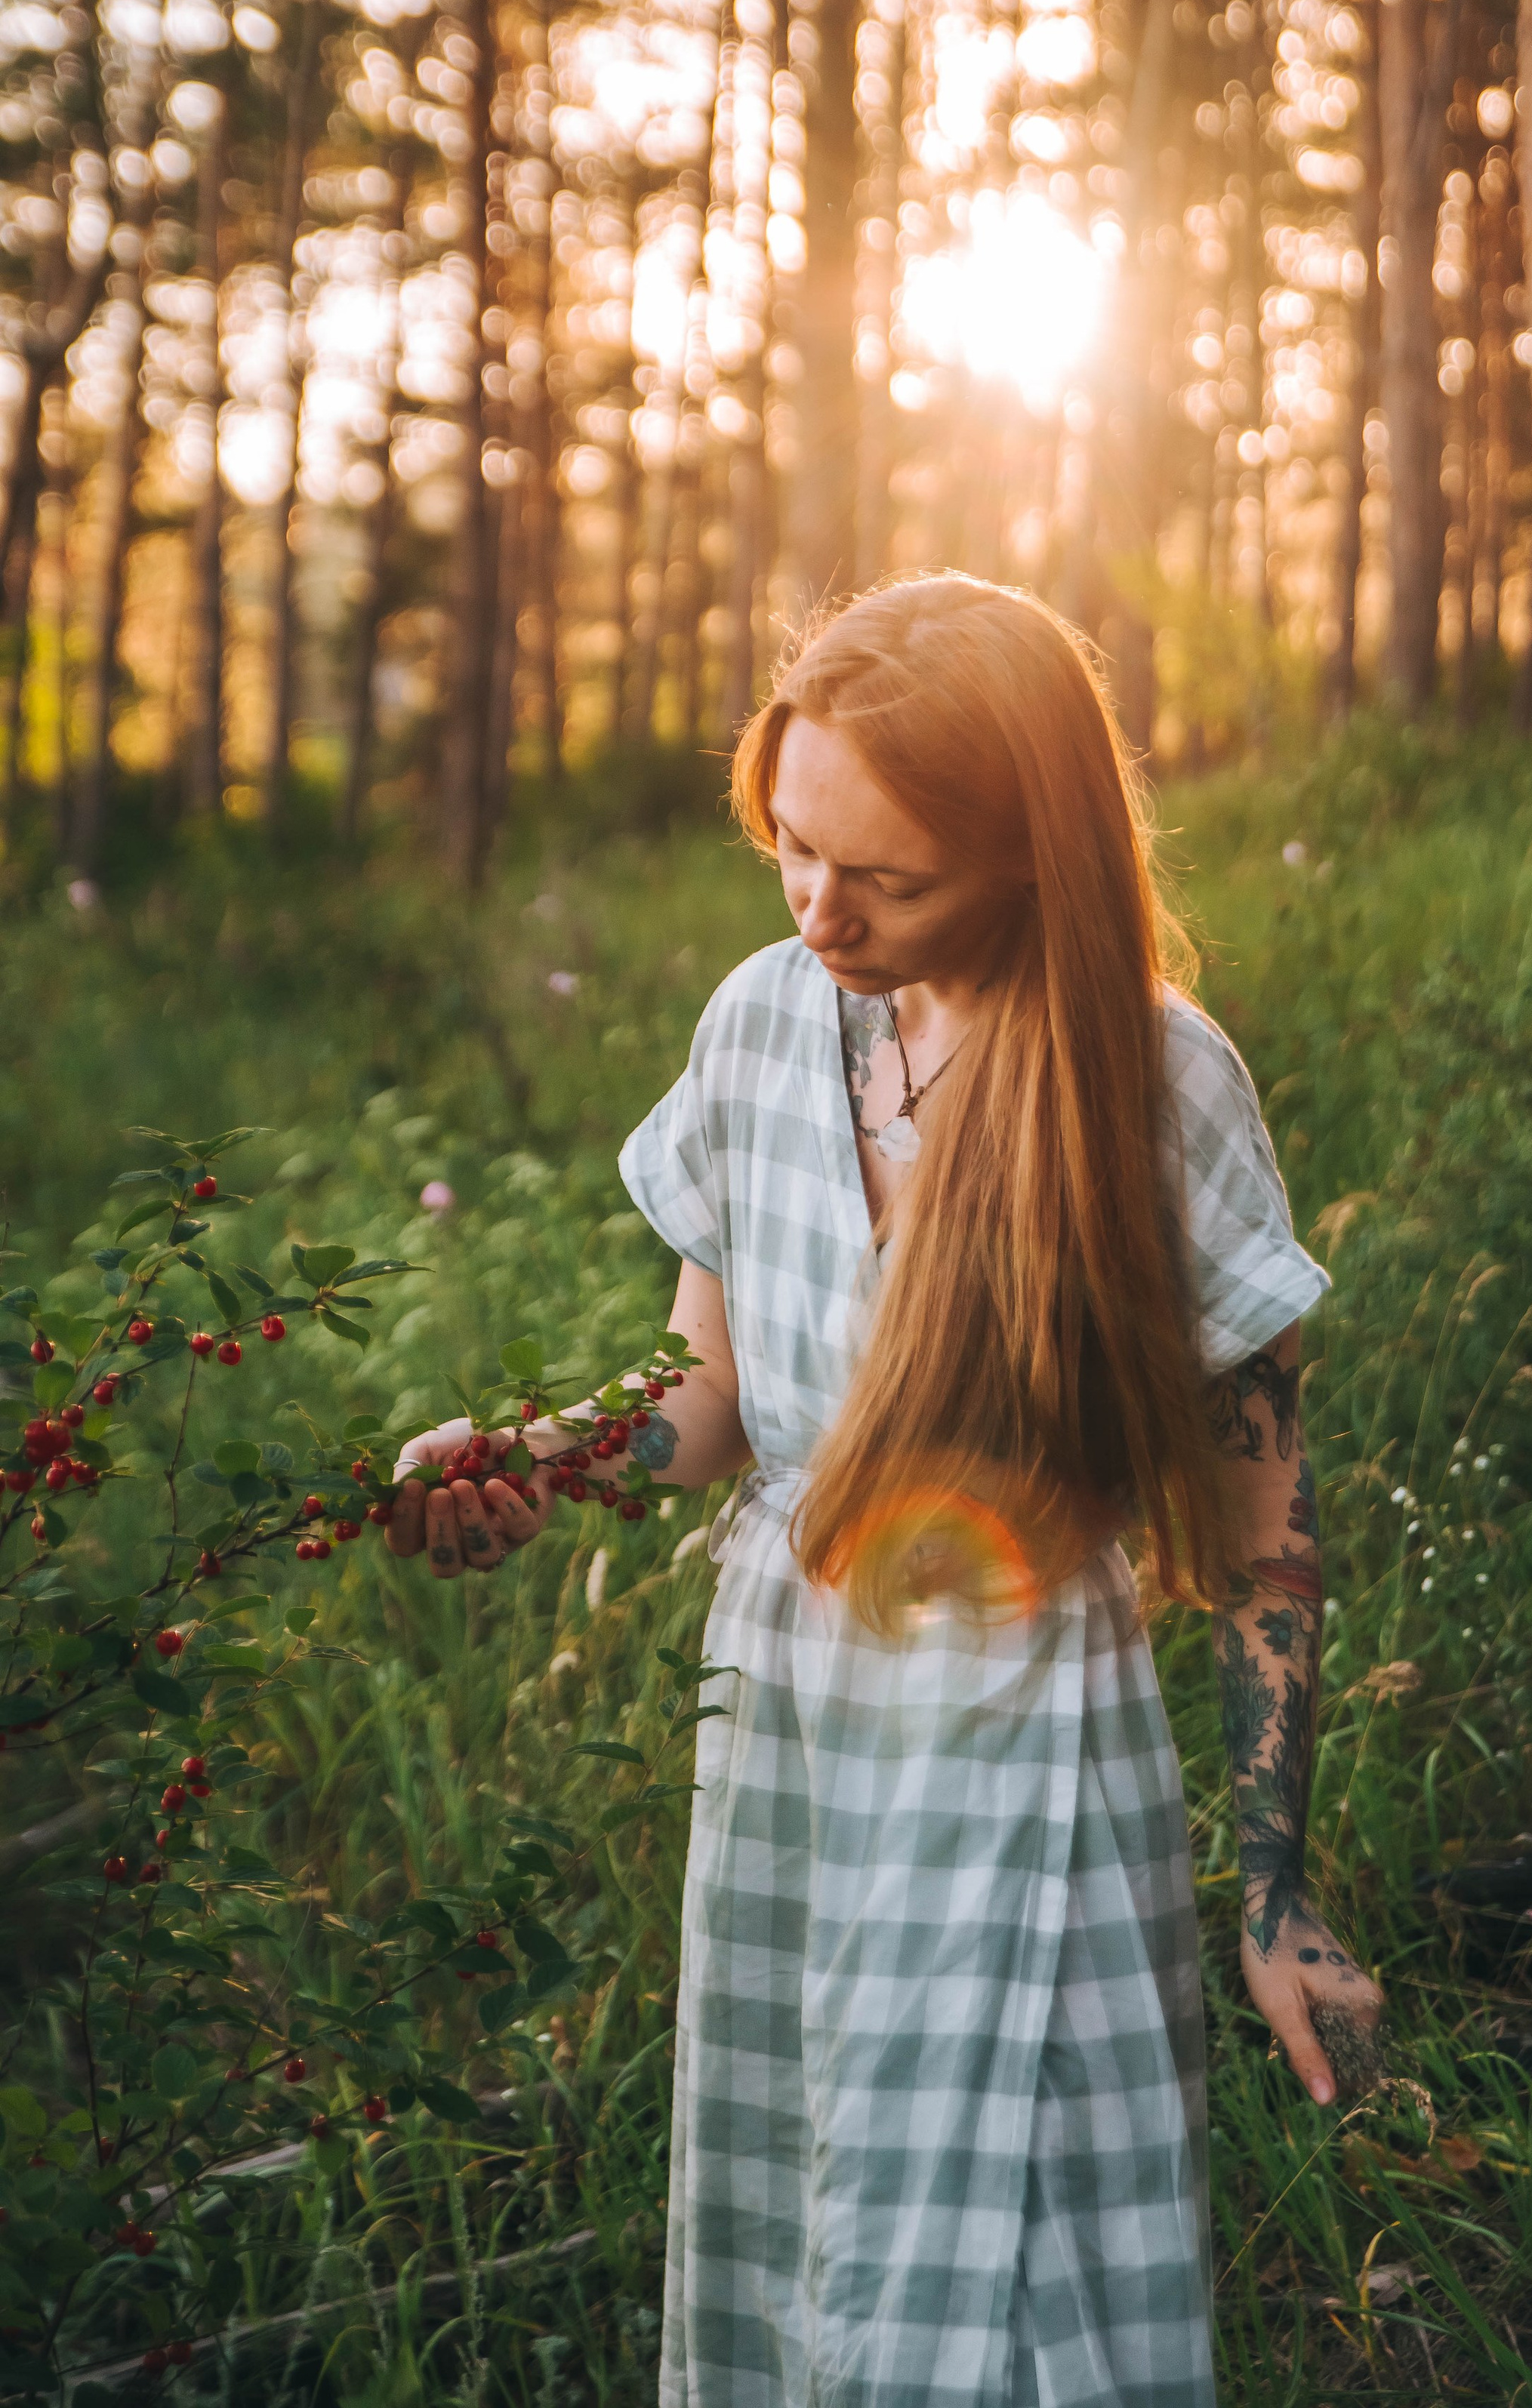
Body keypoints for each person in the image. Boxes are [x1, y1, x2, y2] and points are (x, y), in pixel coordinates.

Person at [385, 574, 1380, 2408]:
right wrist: (541, 1454)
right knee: (802, 2242)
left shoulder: (1153, 1082)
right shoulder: (764, 1022)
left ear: (1023, 853)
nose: (819, 910)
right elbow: (714, 1397)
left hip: (1022, 1737)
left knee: (1028, 2269)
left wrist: (1271, 1894)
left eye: (886, 878)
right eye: (790, 846)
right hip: (787, 1721)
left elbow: (1262, 1541)